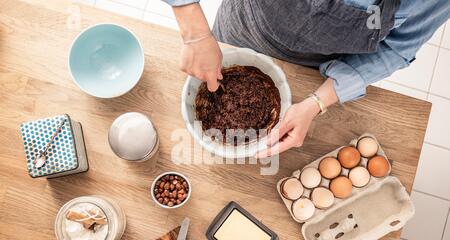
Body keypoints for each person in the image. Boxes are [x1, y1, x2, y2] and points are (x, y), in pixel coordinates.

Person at [163, 0, 450, 158]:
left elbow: (396, 48)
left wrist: (316, 102)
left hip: (314, 68)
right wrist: (195, 31)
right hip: (243, 25)